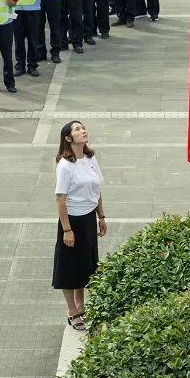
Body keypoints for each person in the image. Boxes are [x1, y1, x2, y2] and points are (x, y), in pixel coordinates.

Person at [53, 121, 107, 331]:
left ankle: (81, 305)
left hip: (88, 219)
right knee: (69, 267)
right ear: (68, 138)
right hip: (72, 221)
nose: (82, 131)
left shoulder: (91, 158)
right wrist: (67, 229)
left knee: (85, 264)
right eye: (77, 129)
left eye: (83, 127)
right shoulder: (65, 165)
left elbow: (97, 189)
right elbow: (60, 199)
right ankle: (72, 311)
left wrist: (101, 216)